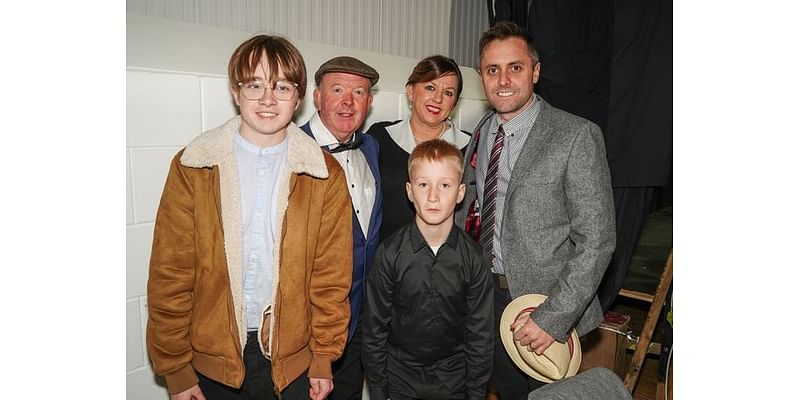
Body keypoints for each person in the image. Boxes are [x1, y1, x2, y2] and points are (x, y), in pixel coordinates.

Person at [146, 34, 353, 400]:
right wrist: (176, 369)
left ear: (299, 96)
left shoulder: (325, 174)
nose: (268, 100)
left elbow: (331, 277)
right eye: (255, 85)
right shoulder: (194, 165)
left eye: (282, 87)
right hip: (212, 365)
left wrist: (323, 355)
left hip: (295, 366)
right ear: (235, 91)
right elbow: (171, 274)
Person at [455, 21, 616, 399]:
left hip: (547, 306)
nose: (504, 79)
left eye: (516, 67)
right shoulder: (481, 132)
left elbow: (598, 240)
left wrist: (552, 318)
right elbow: (472, 209)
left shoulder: (576, 135)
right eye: (493, 70)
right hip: (489, 299)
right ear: (482, 76)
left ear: (536, 71)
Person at [363, 139, 494, 400]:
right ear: (410, 192)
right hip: (399, 379)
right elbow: (374, 330)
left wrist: (476, 394)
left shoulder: (475, 258)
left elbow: (480, 334)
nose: (433, 196)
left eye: (444, 185)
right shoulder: (389, 254)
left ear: (460, 193)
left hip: (454, 381)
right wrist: (379, 391)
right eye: (424, 185)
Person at [300, 55, 382, 400]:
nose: (348, 102)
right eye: (337, 90)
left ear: (370, 102)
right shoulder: (292, 151)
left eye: (359, 92)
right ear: (317, 97)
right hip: (309, 326)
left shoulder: (371, 146)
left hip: (360, 321)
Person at [366, 55, 471, 241]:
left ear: (455, 103)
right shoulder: (380, 137)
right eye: (430, 87)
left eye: (448, 93)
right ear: (411, 91)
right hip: (387, 260)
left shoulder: (470, 147)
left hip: (448, 263)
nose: (438, 99)